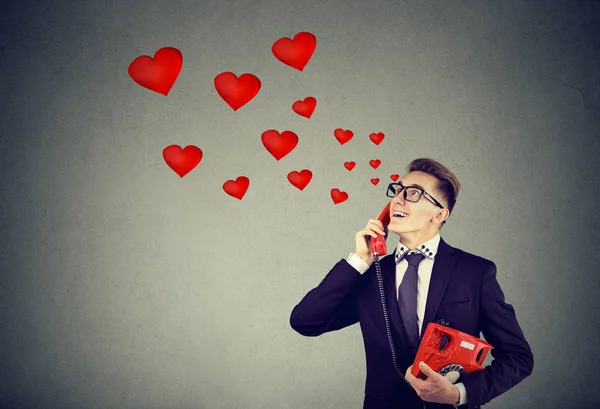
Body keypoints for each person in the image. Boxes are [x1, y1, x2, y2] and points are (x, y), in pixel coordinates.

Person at [289, 158, 534, 409]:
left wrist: (460, 393)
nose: (398, 199)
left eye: (413, 193)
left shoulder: (475, 272)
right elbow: (305, 322)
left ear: (440, 214)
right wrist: (358, 261)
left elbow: (518, 358)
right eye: (397, 191)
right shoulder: (370, 276)